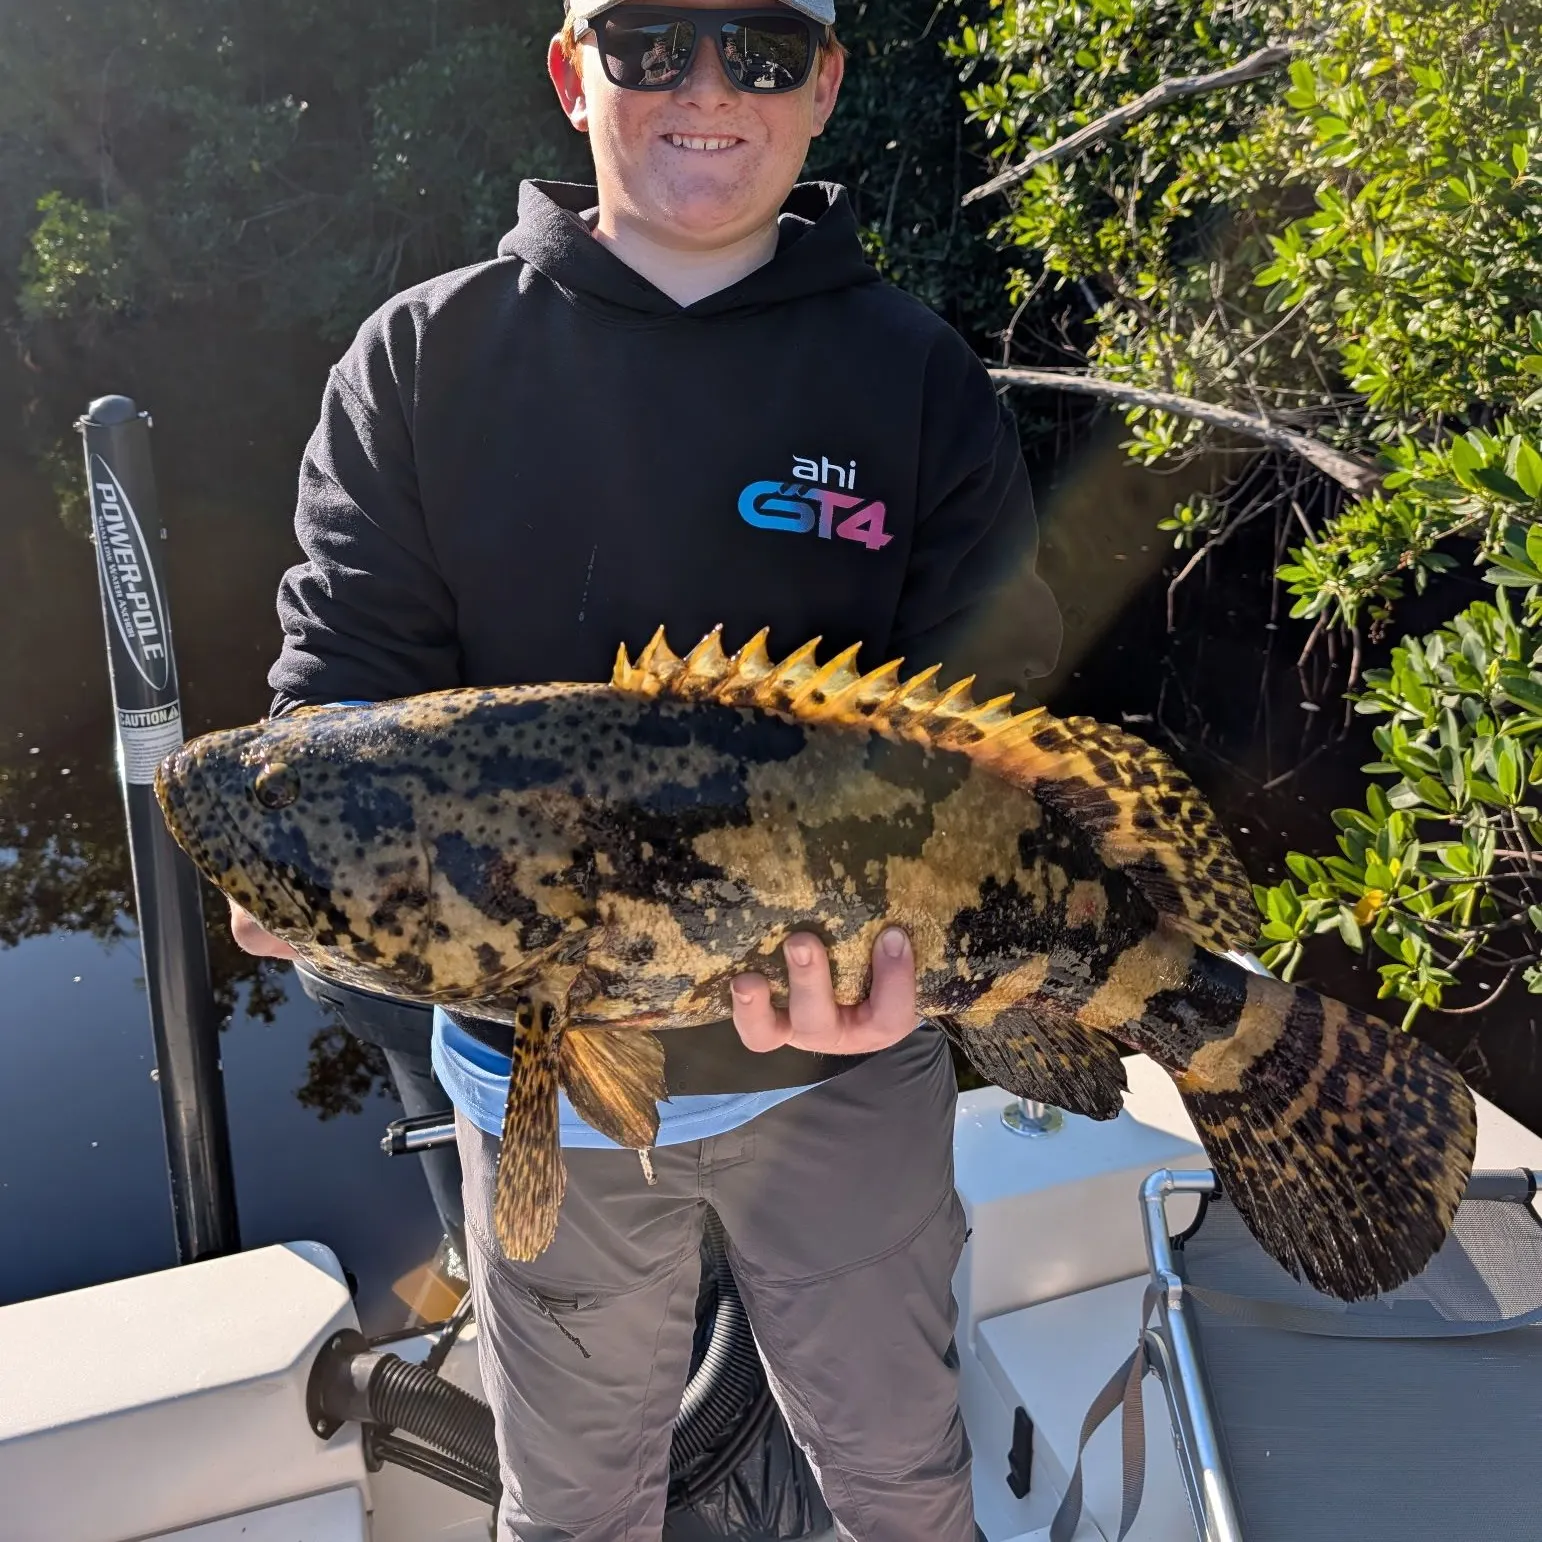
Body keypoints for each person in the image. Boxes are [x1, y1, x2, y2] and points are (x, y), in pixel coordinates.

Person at [232, 1, 1062, 1536]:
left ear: (820, 88)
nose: (704, 90)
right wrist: (291, 859)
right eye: (649, 44)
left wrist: (934, 981)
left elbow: (1000, 718)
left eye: (755, 51)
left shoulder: (914, 373)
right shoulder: (421, 358)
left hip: (846, 1073)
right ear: (572, 73)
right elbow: (333, 699)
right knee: (570, 1497)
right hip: (531, 1077)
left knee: (897, 1472)